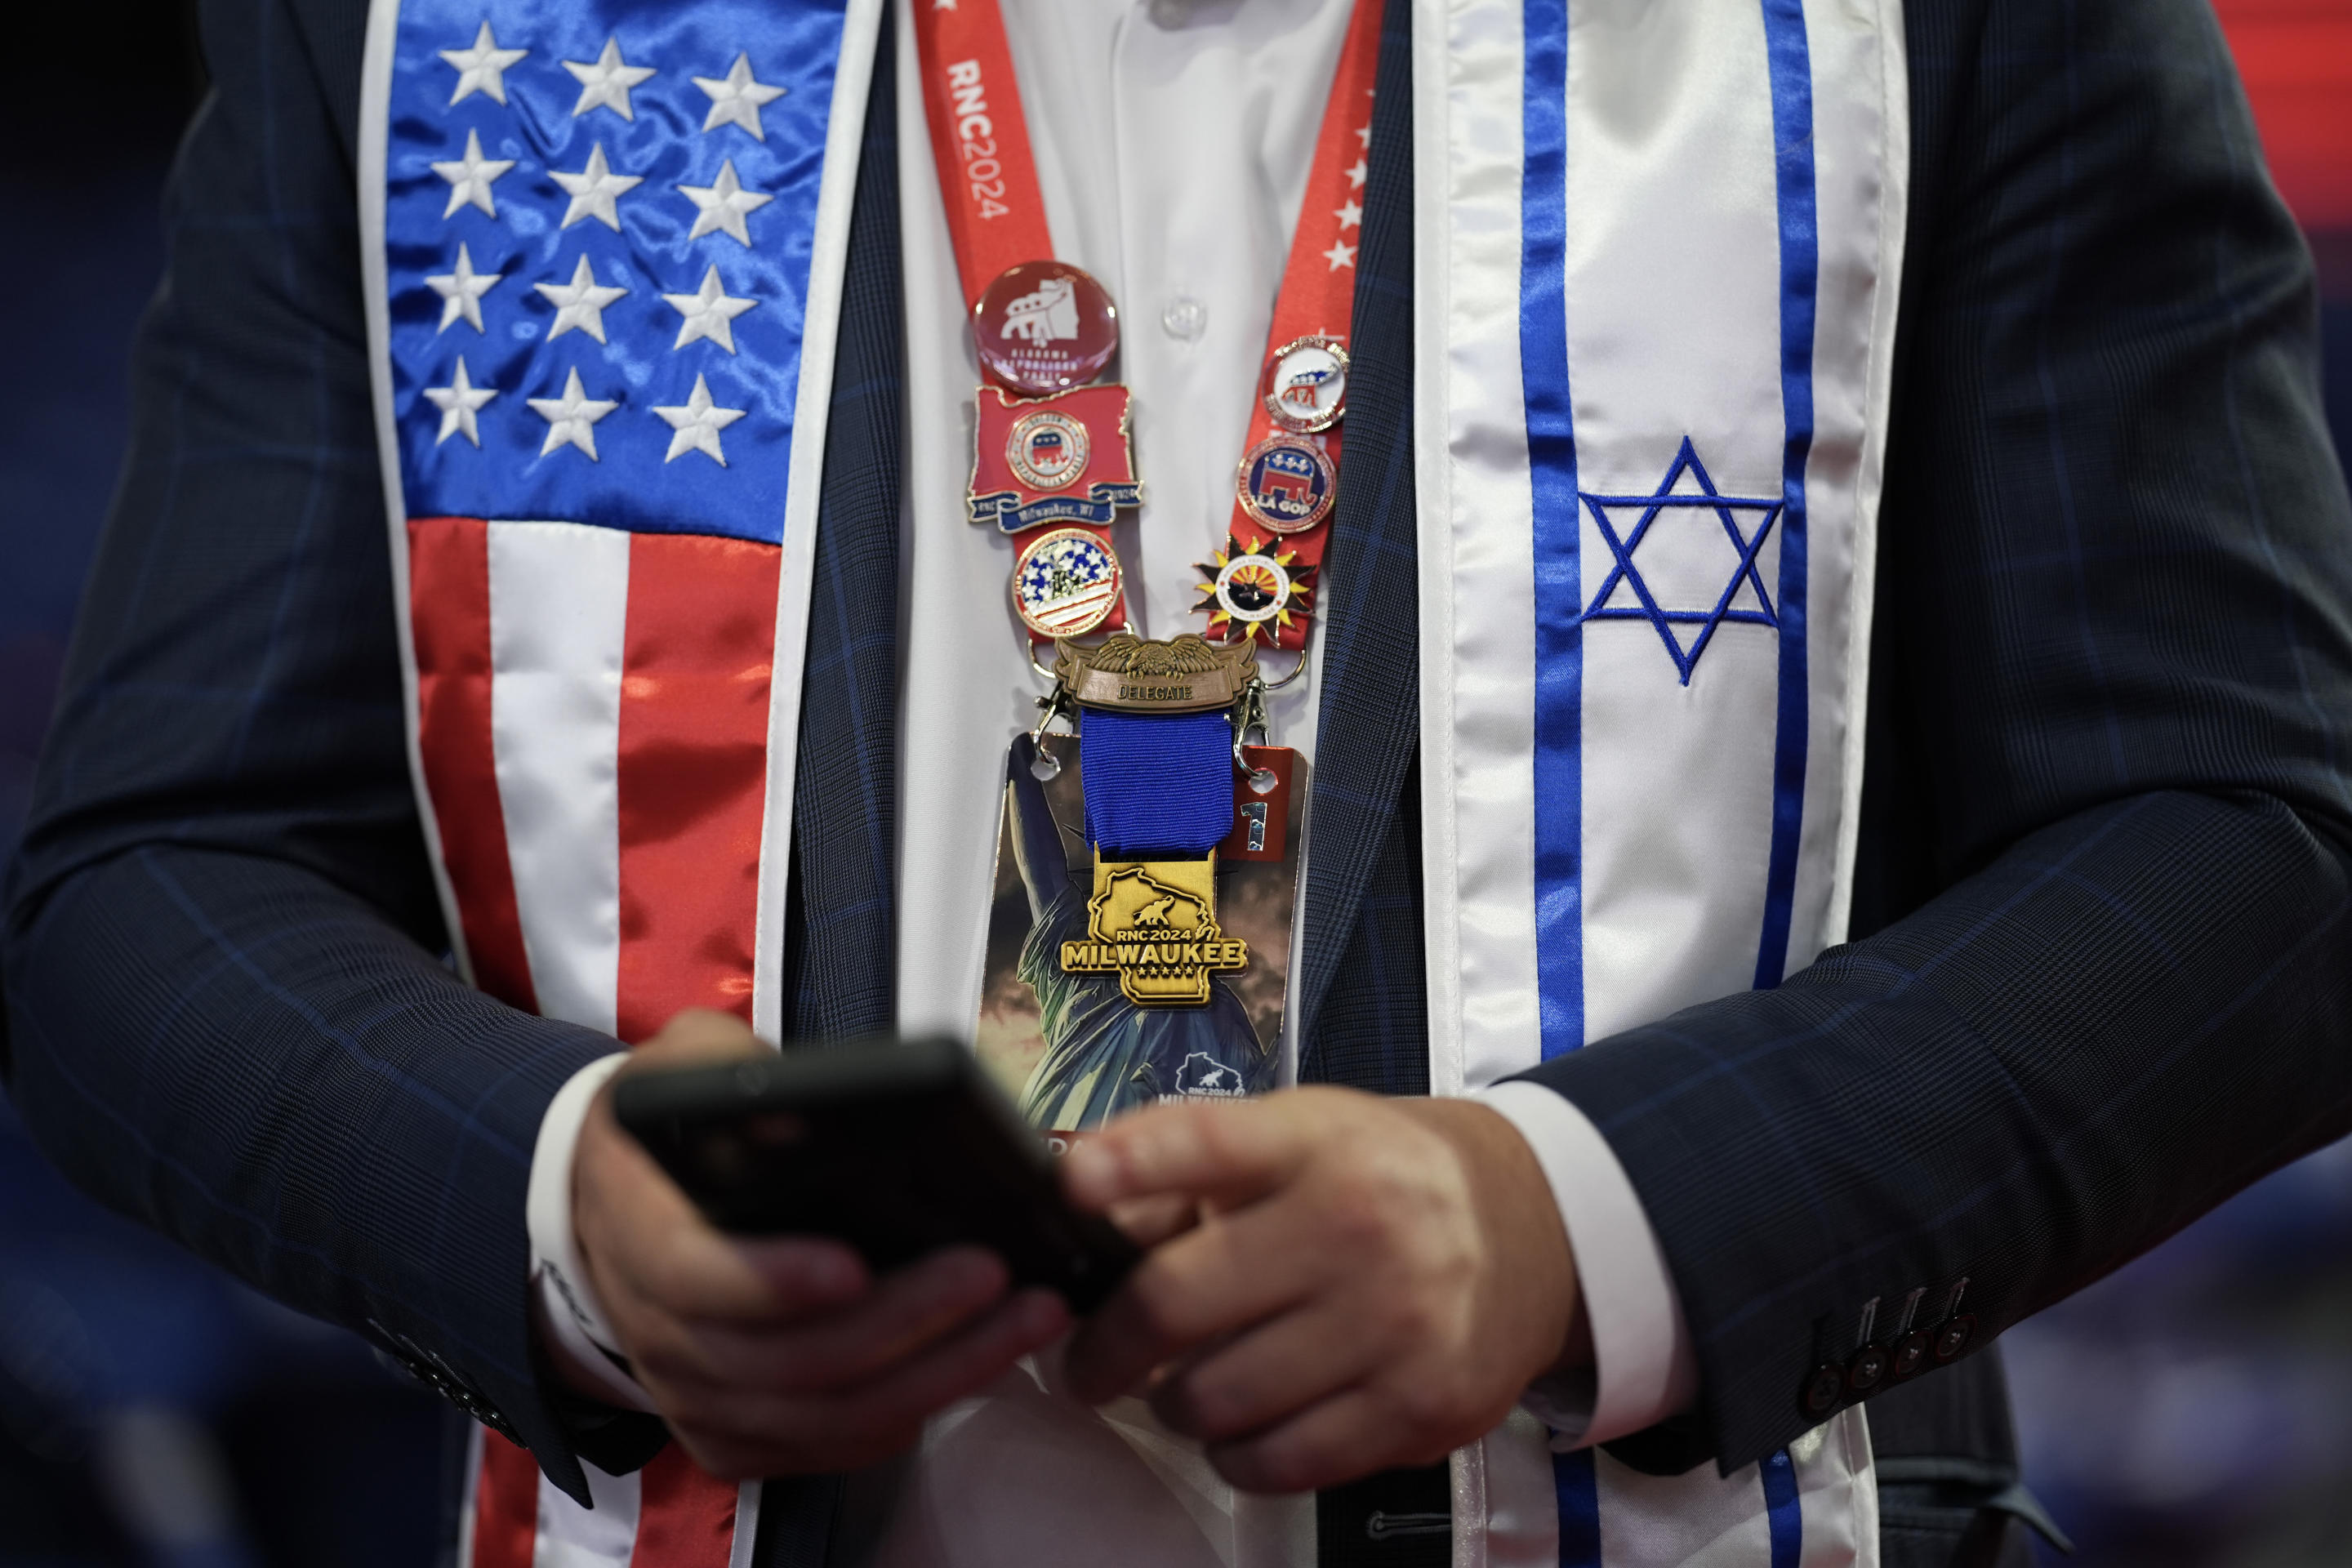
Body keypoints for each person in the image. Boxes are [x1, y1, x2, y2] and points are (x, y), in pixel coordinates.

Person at [4, 0, 2348, 1564]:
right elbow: (151, 877)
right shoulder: (443, 30)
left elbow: (2264, 840)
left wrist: (1576, 1223)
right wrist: (557, 1209)